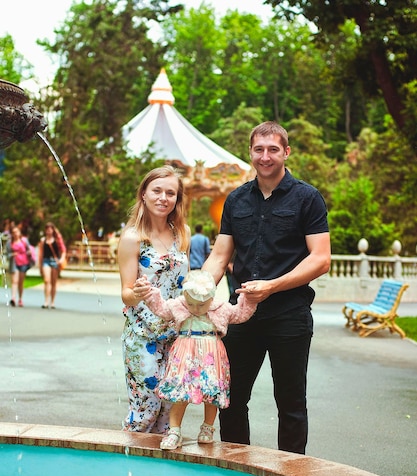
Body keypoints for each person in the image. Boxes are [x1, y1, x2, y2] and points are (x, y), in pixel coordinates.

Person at [203, 121, 331, 455]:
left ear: (286, 152)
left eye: (273, 149)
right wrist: (199, 288)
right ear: (250, 153)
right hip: (241, 315)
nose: (265, 156)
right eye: (259, 149)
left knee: (290, 404)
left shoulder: (308, 198)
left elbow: (320, 259)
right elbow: (220, 255)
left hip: (289, 314)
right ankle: (238, 471)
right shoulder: (236, 200)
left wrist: (272, 286)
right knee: (231, 399)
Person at [140, 269, 257, 449]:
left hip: (211, 353)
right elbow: (162, 309)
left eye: (201, 304)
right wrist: (149, 293)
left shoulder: (220, 308)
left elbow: (240, 314)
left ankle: (207, 427)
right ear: (185, 296)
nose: (196, 309)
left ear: (211, 298)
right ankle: (174, 430)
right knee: (180, 392)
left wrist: (249, 299)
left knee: (211, 392)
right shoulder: (179, 305)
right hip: (185, 352)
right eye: (191, 303)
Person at [117, 165, 190, 434]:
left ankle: (158, 473)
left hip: (176, 335)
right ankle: (127, 467)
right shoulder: (132, 238)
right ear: (144, 195)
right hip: (142, 335)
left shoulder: (182, 234)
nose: (163, 198)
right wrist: (135, 292)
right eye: (157, 190)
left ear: (177, 200)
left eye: (170, 193)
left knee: (170, 413)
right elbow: (125, 292)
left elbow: (185, 283)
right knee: (145, 409)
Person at [38, 222, 67, 309]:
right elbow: (41, 253)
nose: (48, 231)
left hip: (55, 261)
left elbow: (63, 251)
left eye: (50, 229)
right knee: (47, 280)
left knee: (53, 282)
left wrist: (61, 259)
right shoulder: (43, 240)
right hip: (46, 261)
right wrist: (40, 265)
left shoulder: (57, 240)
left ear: (53, 230)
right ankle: (46, 301)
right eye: (47, 229)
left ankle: (52, 301)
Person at [6, 224, 34, 307]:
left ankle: (20, 299)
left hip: (24, 263)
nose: (15, 234)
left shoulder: (24, 241)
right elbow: (6, 255)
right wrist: (12, 254)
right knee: (14, 281)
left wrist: (29, 253)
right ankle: (13, 298)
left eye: (16, 232)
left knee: (20, 282)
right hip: (14, 263)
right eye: (13, 232)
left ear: (19, 232)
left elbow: (29, 250)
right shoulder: (9, 243)